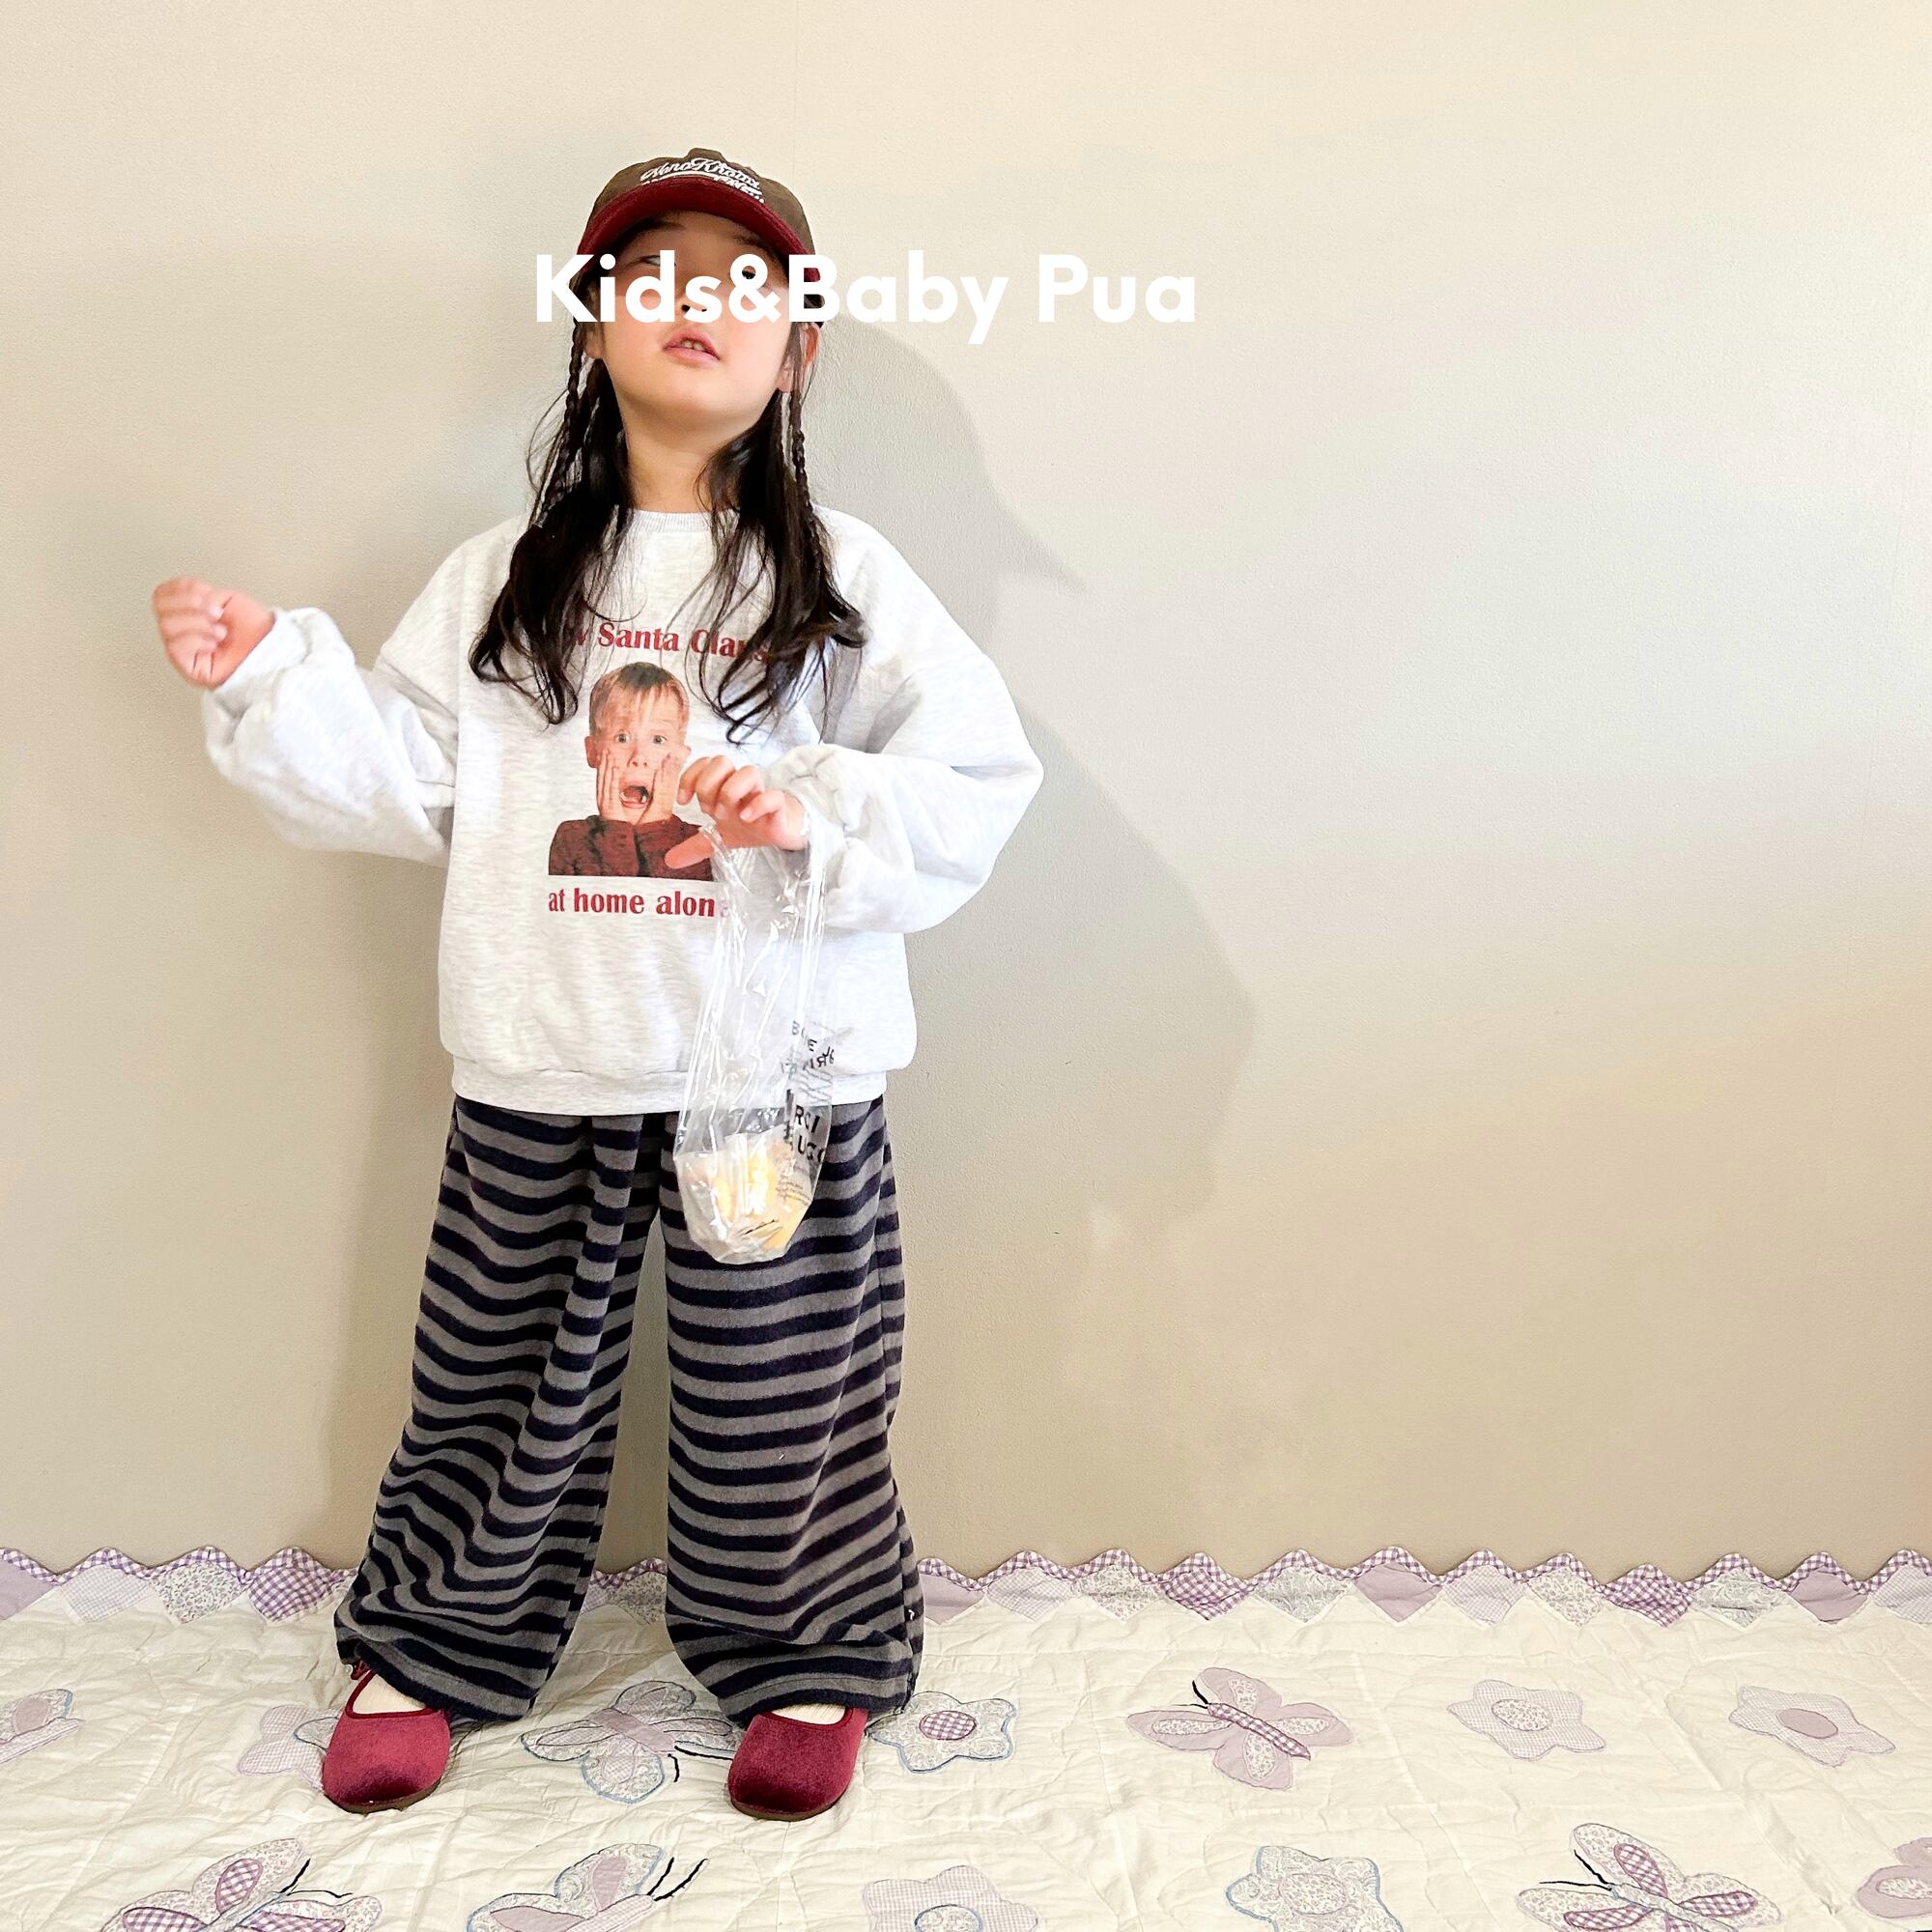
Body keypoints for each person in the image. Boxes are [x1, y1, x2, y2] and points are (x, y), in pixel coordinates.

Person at [151, 145, 1044, 1823]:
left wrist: (811, 807)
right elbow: (409, 772)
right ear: (591, 328)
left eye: (741, 281)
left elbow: (976, 779)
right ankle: (433, 1645)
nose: (697, 304)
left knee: (787, 1397)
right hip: (547, 1055)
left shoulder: (841, 576)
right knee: (493, 1384)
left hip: (776, 1077)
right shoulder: (508, 574)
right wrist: (274, 676)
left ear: (800, 347)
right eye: (655, 274)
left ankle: (806, 1654)